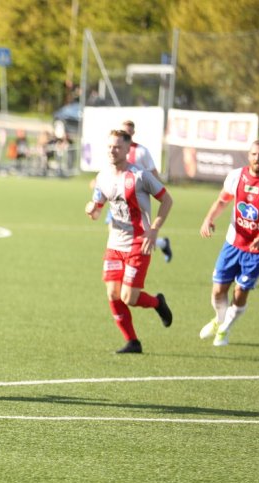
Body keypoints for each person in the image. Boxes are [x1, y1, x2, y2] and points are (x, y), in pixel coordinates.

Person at [85, 129, 174, 354]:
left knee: (129, 297)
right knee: (113, 294)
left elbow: (167, 200)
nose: (112, 151)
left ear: (127, 149)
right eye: (109, 147)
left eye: (117, 147)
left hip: (138, 242)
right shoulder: (103, 176)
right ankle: (133, 341)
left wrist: (154, 230)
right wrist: (92, 210)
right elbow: (97, 209)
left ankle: (157, 303)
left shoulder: (140, 175)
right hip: (114, 244)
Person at [198, 139, 259, 346]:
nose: (258, 158)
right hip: (232, 244)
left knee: (240, 292)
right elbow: (222, 200)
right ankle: (219, 319)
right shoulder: (235, 176)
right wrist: (208, 219)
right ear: (249, 155)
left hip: (258, 250)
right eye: (254, 154)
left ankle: (225, 329)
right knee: (218, 290)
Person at [121, 120, 173, 261]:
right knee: (117, 230)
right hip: (119, 196)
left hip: (136, 198)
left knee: (138, 233)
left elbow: (152, 172)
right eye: (123, 131)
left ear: (133, 132)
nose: (126, 133)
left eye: (128, 131)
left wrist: (159, 190)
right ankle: (161, 243)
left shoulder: (141, 151)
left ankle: (134, 258)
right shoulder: (118, 149)